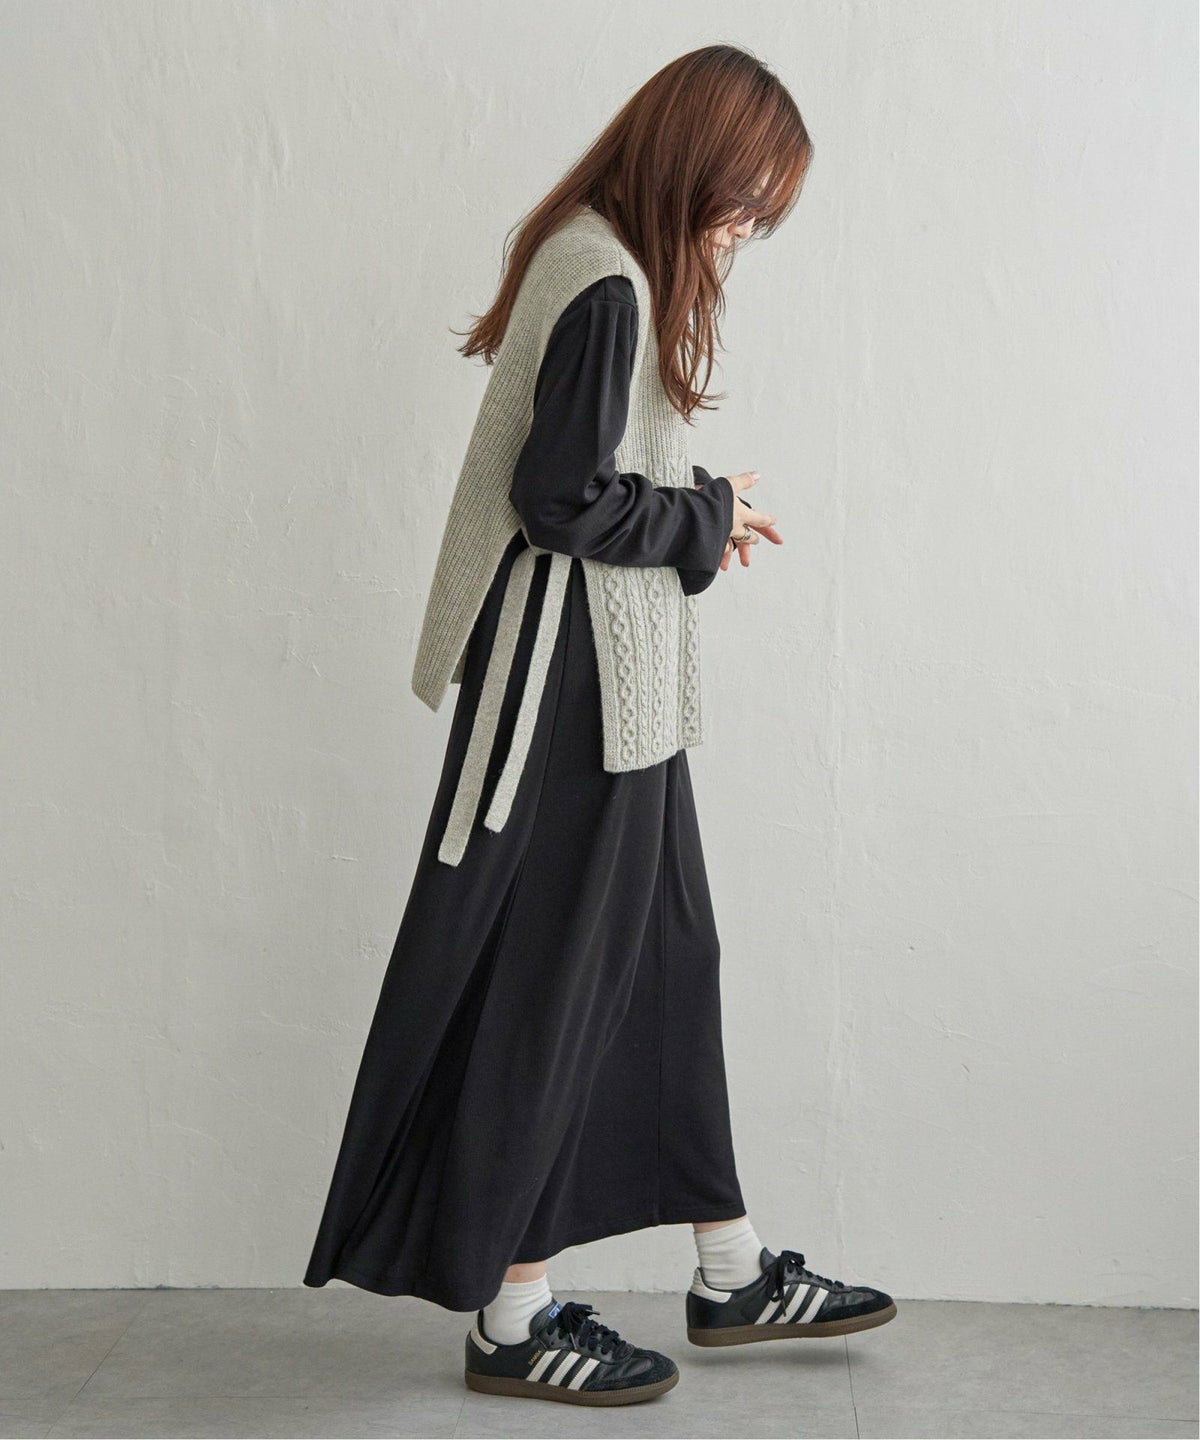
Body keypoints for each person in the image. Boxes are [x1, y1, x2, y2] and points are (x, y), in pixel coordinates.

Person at [303, 43, 897, 1408]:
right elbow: (561, 497)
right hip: (565, 691)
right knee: (554, 987)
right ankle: (513, 1317)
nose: (741, 232)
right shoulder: (609, 280)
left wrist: (694, 510)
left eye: (759, 216)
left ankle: (729, 1265)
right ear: (690, 161)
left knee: (670, 956)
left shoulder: (596, 253)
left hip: (617, 686)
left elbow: (596, 477)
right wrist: (697, 517)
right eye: (741, 202)